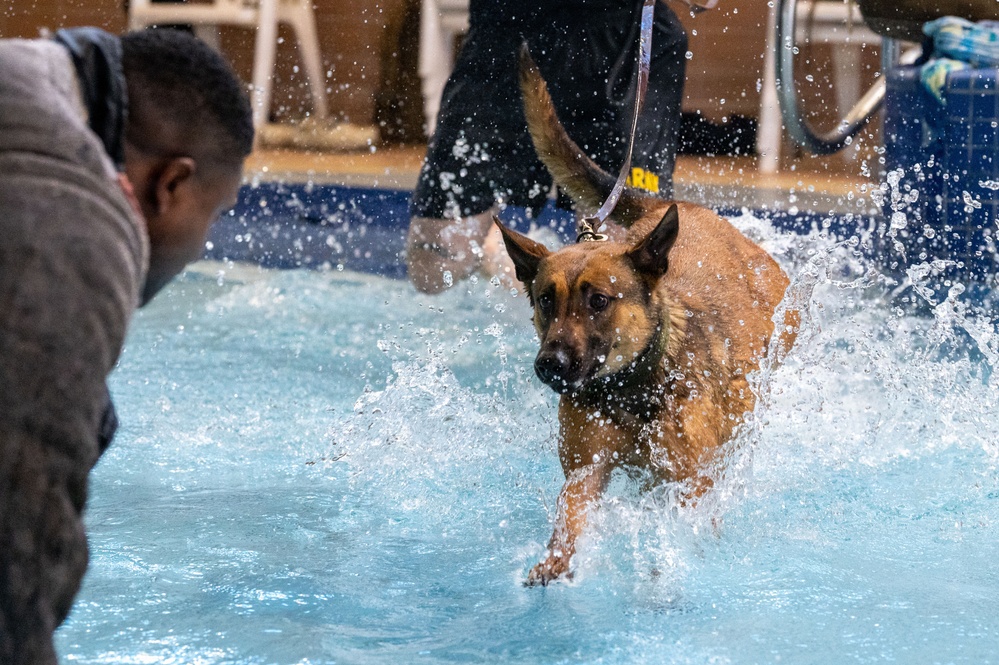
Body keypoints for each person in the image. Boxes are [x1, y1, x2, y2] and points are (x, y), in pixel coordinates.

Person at [0, 27, 253, 664]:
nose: (202, 245)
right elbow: (14, 565)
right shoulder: (72, 220)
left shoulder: (26, 78)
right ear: (171, 184)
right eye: (214, 214)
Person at [406, 0, 690, 294]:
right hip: (507, 32)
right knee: (432, 269)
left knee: (620, 272)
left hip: (622, 40)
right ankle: (502, 253)